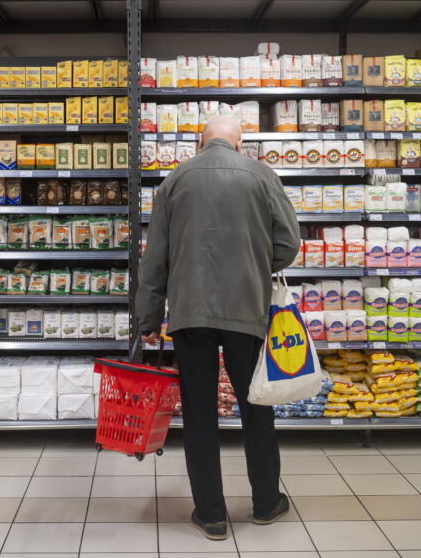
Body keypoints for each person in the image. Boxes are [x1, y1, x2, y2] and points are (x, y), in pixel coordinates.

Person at [136, 115, 301, 540]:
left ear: (199, 141)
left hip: (190, 311)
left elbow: (155, 257)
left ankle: (210, 513)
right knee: (256, 404)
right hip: (247, 309)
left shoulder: (174, 180)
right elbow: (289, 243)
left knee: (199, 412)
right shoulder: (261, 174)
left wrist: (149, 317)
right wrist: (257, 266)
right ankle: (266, 503)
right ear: (239, 144)